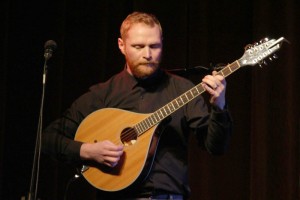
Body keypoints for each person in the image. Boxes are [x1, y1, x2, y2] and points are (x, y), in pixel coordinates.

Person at [42, 11, 232, 200]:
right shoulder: (103, 94)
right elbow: (48, 139)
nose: (147, 54)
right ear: (121, 46)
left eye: (154, 46)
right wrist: (86, 151)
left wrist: (219, 105)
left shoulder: (182, 89)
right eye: (138, 46)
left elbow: (216, 147)